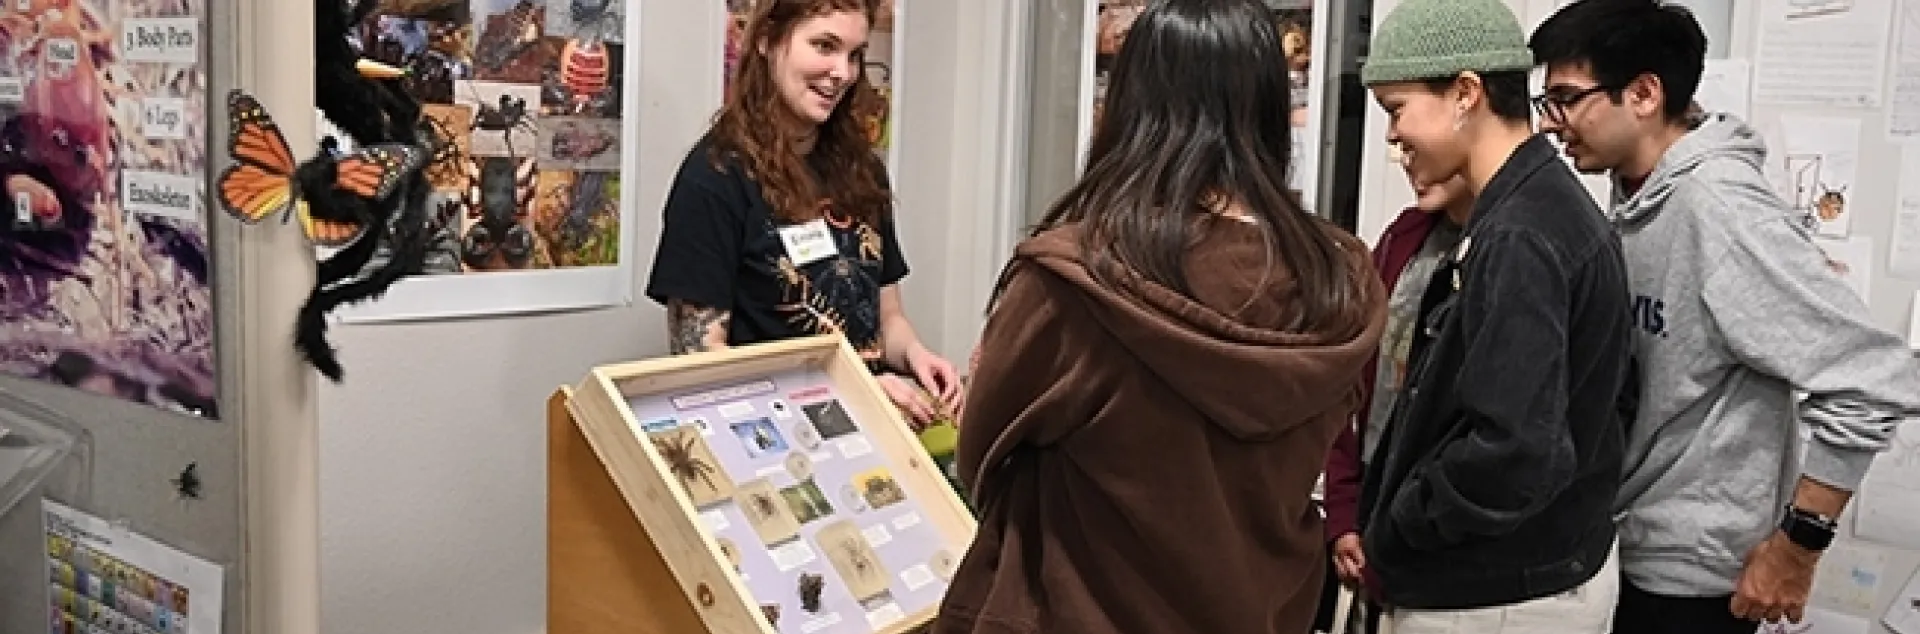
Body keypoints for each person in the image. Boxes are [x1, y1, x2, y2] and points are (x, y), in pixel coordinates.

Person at [936, 0, 1386, 631]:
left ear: (1132, 103)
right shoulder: (1339, 280)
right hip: (1263, 610)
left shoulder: (1077, 279)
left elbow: (980, 454)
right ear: (1268, 105)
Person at [1529, 2, 1920, 632]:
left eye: (1567, 99)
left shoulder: (1721, 211)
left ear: (1644, 93)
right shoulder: (1634, 200)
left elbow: (1873, 382)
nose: (1552, 123)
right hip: (1620, 553)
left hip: (1688, 584)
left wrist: (1797, 546)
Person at [1356, 0, 1636, 631]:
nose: (1391, 136)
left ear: (1465, 92)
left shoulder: (1520, 234)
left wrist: (1401, 525)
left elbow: (1513, 452)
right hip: (1536, 573)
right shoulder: (1542, 209)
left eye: (1397, 110)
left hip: (1492, 599)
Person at [645, 0, 961, 426]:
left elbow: (888, 316)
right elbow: (700, 362)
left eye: (854, 54)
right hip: (775, 443)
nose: (842, 72)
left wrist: (916, 355)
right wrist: (854, 393)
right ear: (766, 40)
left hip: (870, 436)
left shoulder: (862, 171)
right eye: (824, 46)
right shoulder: (714, 179)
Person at [1322, 162, 1471, 632]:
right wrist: (1344, 513)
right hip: (1373, 513)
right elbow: (1352, 384)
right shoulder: (1405, 236)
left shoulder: (1509, 247)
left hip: (1441, 543)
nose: (1404, 153)